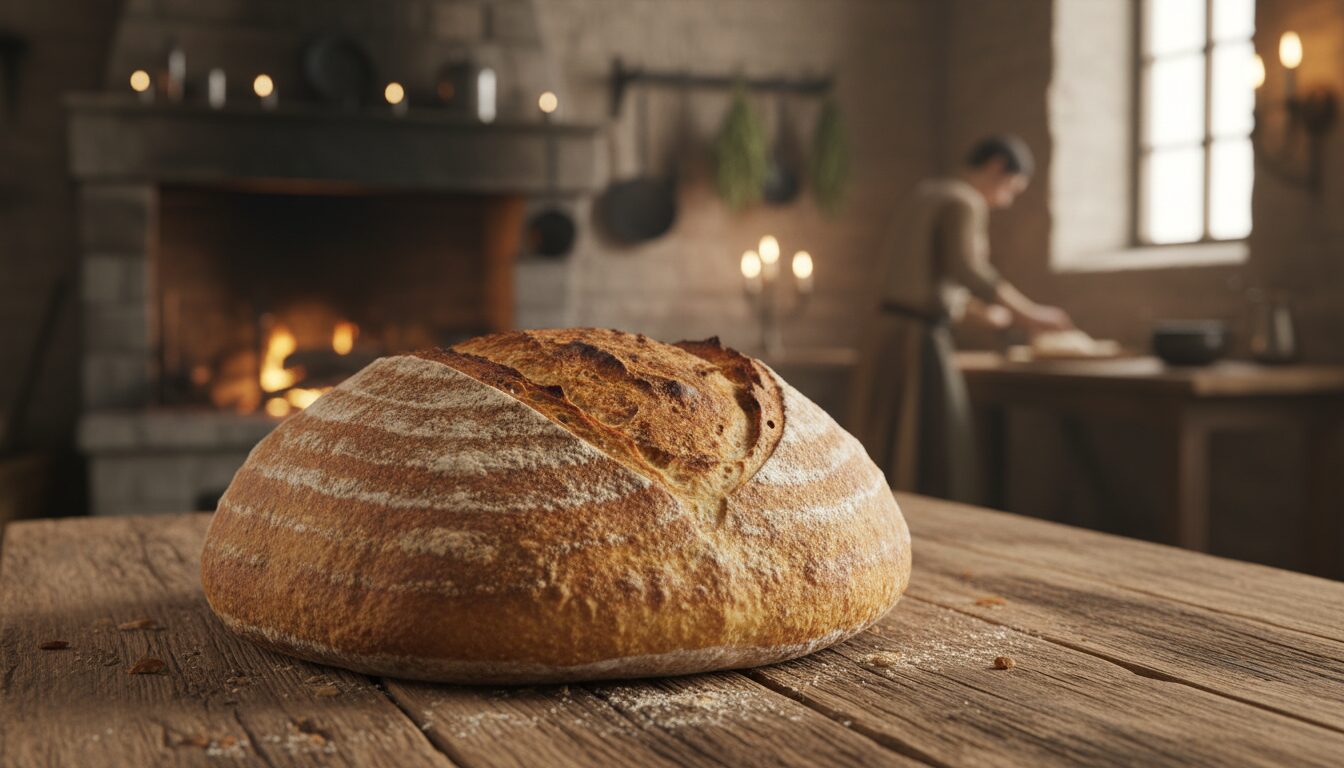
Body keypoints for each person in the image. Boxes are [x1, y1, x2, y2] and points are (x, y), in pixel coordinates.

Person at [851, 135, 1073, 503]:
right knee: (933, 448)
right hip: (917, 341)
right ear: (997, 166)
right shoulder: (964, 200)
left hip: (887, 332)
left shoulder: (926, 193)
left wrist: (981, 315)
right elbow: (969, 269)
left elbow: (922, 277)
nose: (1007, 201)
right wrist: (1030, 314)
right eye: (1012, 189)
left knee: (888, 440)